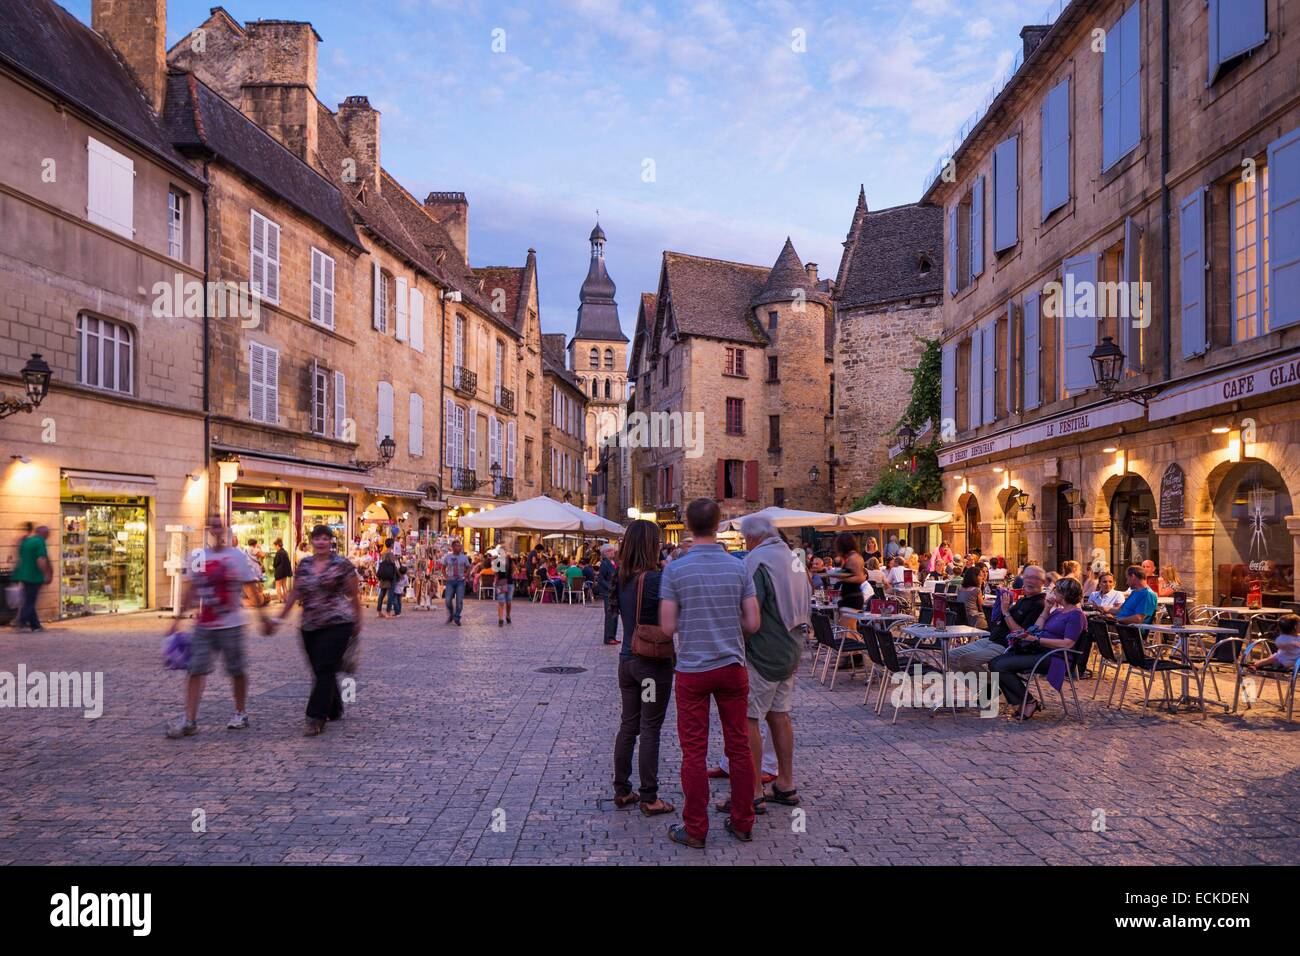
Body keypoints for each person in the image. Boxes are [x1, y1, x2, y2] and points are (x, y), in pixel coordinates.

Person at [659, 498, 761, 849]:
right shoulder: (739, 567)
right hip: (732, 666)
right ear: (719, 525)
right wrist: (730, 632)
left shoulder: (675, 570)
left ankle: (696, 829)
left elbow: (667, 625)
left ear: (688, 525)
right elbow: (753, 621)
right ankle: (743, 821)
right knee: (739, 747)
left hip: (693, 669)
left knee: (693, 752)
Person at [163, 513, 270, 738]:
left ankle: (240, 713)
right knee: (195, 670)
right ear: (209, 530)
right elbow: (191, 590)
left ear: (226, 529)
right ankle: (189, 720)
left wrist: (263, 616)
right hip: (205, 624)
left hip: (231, 624)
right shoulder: (198, 556)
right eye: (213, 525)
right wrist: (177, 619)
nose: (217, 529)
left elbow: (250, 587)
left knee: (236, 669)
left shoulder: (236, 556)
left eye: (220, 525)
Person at [730, 514, 809, 814]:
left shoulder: (758, 562)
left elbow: (752, 618)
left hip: (764, 652)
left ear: (751, 538)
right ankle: (786, 783)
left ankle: (753, 791)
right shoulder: (792, 558)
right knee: (780, 715)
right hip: (791, 648)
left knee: (750, 719)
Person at [610, 520, 675, 817]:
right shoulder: (655, 579)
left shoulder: (621, 576)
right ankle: (650, 797)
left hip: (627, 662)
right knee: (650, 727)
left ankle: (622, 790)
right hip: (650, 665)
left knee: (628, 725)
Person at [276, 525, 361, 736]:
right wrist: (279, 618)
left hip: (338, 623)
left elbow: (353, 593)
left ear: (331, 541)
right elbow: (296, 592)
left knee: (323, 668)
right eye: (317, 538)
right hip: (310, 624)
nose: (321, 542)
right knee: (321, 669)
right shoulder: (304, 564)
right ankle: (334, 706)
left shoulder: (341, 564)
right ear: (312, 541)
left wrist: (358, 621)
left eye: (325, 538)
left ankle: (315, 717)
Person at [991, 577, 1087, 719]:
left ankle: (1028, 702)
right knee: (995, 663)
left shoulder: (1076, 615)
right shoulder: (1058, 611)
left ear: (1064, 594)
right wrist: (1047, 609)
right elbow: (1036, 628)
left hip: (1055, 657)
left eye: (1056, 590)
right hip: (1040, 651)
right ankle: (1026, 701)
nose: (1053, 593)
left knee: (999, 665)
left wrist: (1037, 640)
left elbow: (1068, 644)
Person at [947, 565, 1048, 672]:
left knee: (966, 660)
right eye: (1027, 577)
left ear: (1043, 582)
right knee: (950, 656)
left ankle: (991, 688)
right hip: (992, 639)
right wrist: (1005, 609)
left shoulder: (1039, 604)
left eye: (1034, 578)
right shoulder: (1023, 600)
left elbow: (1022, 634)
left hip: (1005, 645)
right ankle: (986, 687)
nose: (1029, 581)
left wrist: (1005, 611)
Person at [13, 523, 52, 632]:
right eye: (48, 534)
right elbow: (41, 560)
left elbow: (20, 557)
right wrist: (46, 574)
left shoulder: (26, 541)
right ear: (44, 533)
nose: (48, 536)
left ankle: (35, 626)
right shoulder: (40, 541)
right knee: (30, 601)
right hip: (34, 576)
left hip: (23, 575)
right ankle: (21, 622)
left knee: (30, 600)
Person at [833, 532, 866, 631]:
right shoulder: (849, 557)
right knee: (850, 629)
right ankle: (861, 644)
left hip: (853, 597)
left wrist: (842, 578)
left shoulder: (854, 558)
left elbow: (860, 577)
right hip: (848, 596)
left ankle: (861, 644)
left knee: (845, 629)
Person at [442, 539, 470, 625]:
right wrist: (446, 576)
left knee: (459, 600)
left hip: (460, 581)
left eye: (460, 546)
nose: (459, 547)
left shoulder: (464, 557)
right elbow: (443, 568)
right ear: (453, 547)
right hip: (450, 581)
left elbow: (468, 567)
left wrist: (465, 575)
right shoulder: (448, 557)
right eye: (457, 546)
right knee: (447, 600)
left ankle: (457, 617)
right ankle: (451, 613)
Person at [598, 544, 620, 645]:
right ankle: (608, 637)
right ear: (605, 553)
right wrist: (609, 587)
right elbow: (601, 579)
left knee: (615, 614)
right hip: (609, 593)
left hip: (615, 592)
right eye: (610, 551)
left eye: (613, 550)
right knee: (610, 615)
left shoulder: (613, 562)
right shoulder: (604, 564)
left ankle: (613, 636)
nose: (613, 552)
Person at [492, 547, 514, 627]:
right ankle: (500, 619)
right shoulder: (497, 561)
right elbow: (495, 572)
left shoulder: (510, 560)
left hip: (509, 582)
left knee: (508, 601)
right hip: (501, 582)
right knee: (501, 601)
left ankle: (508, 615)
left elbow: (513, 569)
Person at [375, 549, 398, 617]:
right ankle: (388, 612)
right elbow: (394, 565)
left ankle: (379, 611)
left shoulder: (383, 554)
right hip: (390, 577)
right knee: (390, 595)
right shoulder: (391, 554)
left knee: (382, 594)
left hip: (383, 577)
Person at [272, 538, 293, 603]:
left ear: (277, 545)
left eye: (275, 546)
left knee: (278, 586)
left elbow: (276, 563)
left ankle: (280, 599)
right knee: (284, 585)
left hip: (279, 571)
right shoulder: (285, 552)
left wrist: (274, 566)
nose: (274, 547)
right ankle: (286, 599)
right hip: (285, 572)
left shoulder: (278, 553)